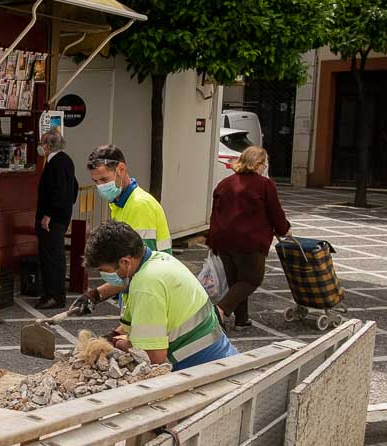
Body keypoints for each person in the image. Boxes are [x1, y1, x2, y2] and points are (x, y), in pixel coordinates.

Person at [86, 221, 237, 370]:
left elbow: (153, 357)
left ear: (125, 262)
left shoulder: (146, 285)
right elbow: (148, 321)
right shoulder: (158, 260)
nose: (104, 276)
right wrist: (114, 335)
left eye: (104, 270)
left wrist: (118, 344)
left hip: (203, 370)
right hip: (221, 358)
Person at [70, 145, 173, 314]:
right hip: (141, 297)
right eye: (96, 182)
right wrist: (94, 295)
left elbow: (137, 269)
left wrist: (97, 294)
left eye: (104, 180)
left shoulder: (139, 206)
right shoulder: (120, 205)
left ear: (121, 169)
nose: (100, 187)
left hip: (150, 298)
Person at [206, 146, 290, 328]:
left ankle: (242, 320)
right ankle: (220, 311)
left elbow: (215, 213)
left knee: (236, 281)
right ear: (258, 164)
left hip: (224, 240)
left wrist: (212, 240)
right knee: (251, 279)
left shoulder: (225, 183)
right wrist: (284, 230)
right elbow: (276, 212)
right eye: (264, 164)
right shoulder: (265, 185)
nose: (264, 168)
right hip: (249, 241)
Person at [34, 128, 79, 309]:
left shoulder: (56, 163)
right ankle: (51, 293)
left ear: (49, 146)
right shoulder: (66, 160)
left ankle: (54, 295)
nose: (40, 146)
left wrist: (48, 215)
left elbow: (58, 191)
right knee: (53, 254)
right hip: (61, 215)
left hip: (53, 218)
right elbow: (73, 187)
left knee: (52, 256)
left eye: (42, 143)